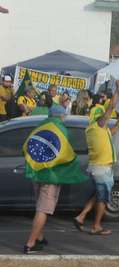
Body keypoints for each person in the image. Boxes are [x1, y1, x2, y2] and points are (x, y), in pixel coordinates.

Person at [22, 104, 87, 253]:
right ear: (61, 116)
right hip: (51, 176)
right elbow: (65, 153)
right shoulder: (61, 129)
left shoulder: (40, 127)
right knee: (43, 210)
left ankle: (39, 237)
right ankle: (30, 244)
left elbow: (27, 146)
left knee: (39, 207)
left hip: (37, 173)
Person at [73, 84, 119, 235]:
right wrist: (118, 90)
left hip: (99, 168)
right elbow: (111, 106)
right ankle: (96, 226)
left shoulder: (95, 129)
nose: (106, 118)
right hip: (102, 169)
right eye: (104, 116)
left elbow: (110, 133)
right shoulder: (98, 125)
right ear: (99, 117)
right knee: (102, 199)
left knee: (98, 195)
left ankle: (81, 217)